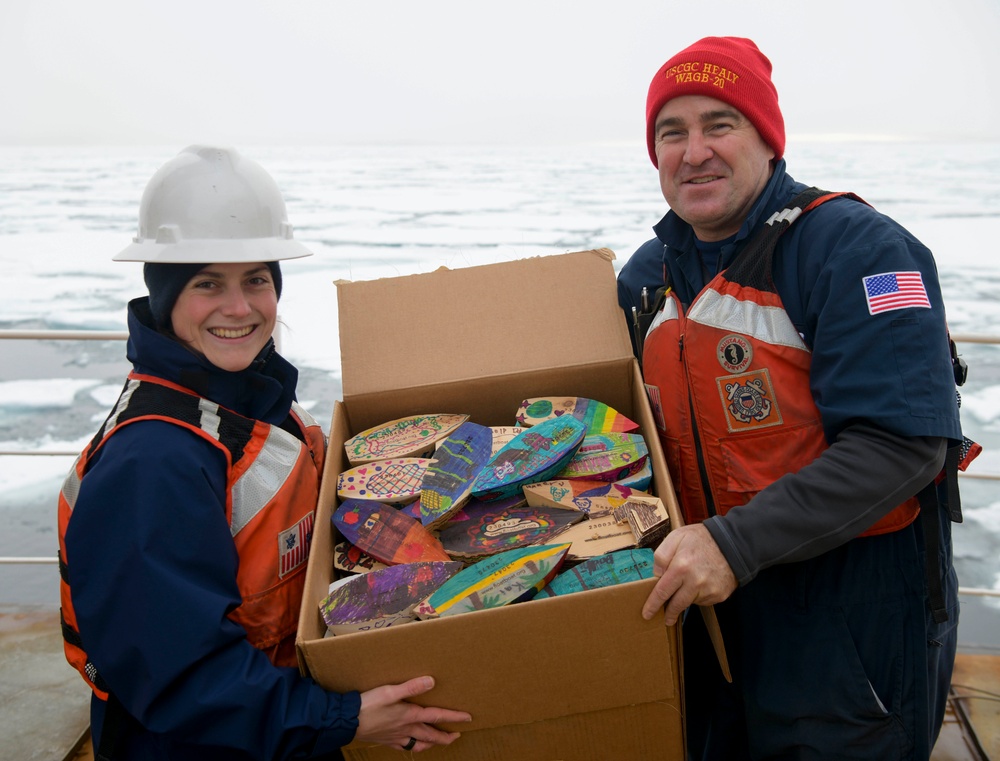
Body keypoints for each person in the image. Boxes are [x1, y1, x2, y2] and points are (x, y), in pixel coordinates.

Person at [617, 37, 977, 760]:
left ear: (768, 139)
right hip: (709, 609)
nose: (694, 152)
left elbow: (902, 444)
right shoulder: (645, 279)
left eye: (720, 124)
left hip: (850, 622)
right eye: (671, 131)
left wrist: (734, 542)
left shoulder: (855, 249)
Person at [57, 145, 471, 760]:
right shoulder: (152, 463)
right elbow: (181, 679)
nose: (239, 307)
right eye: (207, 284)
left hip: (277, 722)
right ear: (166, 297)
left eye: (256, 278)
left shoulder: (255, 397)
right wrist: (343, 718)